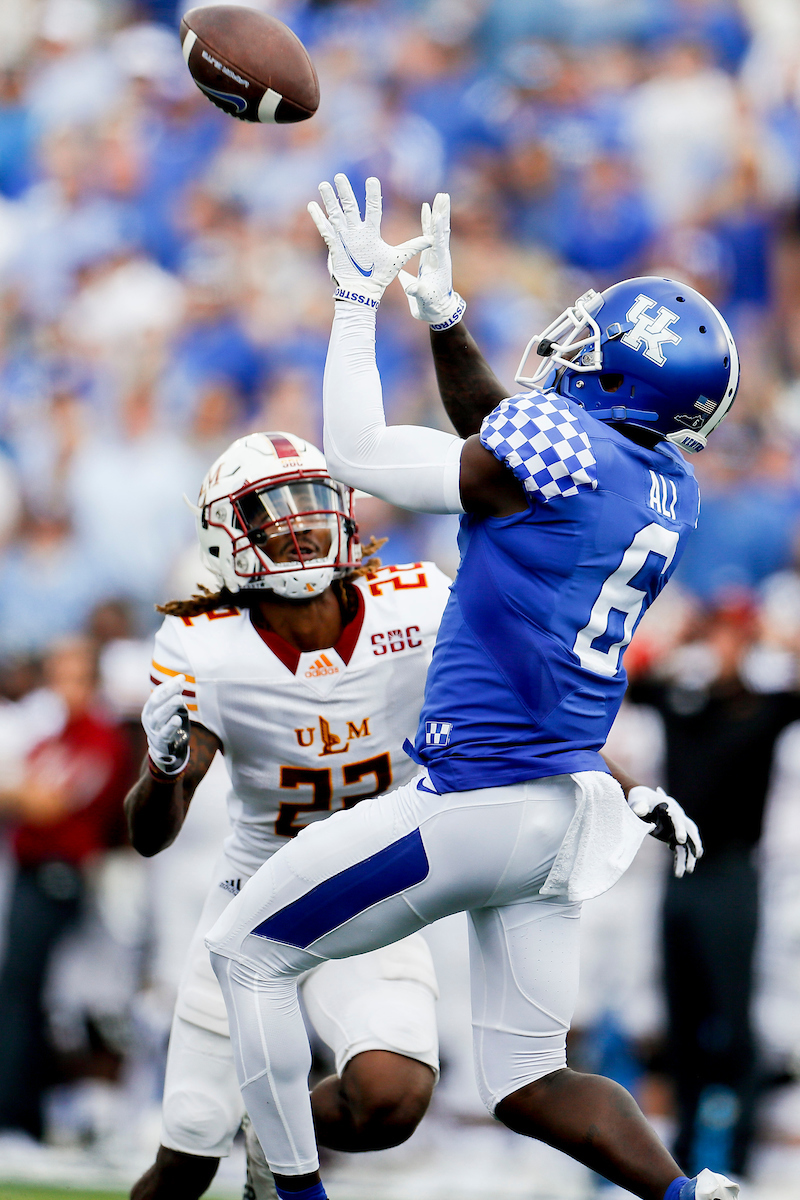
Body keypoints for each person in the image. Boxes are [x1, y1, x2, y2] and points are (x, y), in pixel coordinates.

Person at [204, 175, 744, 1200]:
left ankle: (293, 1197)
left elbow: (359, 453)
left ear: (620, 381)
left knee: (246, 954)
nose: (567, 350)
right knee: (530, 1080)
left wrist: (358, 300)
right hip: (561, 812)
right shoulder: (666, 484)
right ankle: (686, 1194)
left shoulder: (557, 452)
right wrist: (446, 320)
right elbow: (506, 440)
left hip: (471, 801)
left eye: (590, 347)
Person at [126, 430, 452, 1200]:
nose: (299, 523)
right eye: (271, 510)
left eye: (310, 500)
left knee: (392, 1100)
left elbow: (523, 705)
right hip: (255, 900)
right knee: (187, 1156)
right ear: (225, 537)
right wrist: (163, 769)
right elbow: (150, 836)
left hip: (370, 892)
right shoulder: (205, 644)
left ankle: (272, 1138)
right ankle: (250, 1133)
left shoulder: (420, 602)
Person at [628, 597, 800, 1178]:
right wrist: (682, 636)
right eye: (715, 637)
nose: (720, 649)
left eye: (731, 638)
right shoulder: (684, 705)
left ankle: (742, 1160)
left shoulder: (764, 708)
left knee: (733, 1017)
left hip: (732, 876)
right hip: (680, 874)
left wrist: (776, 638)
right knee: (681, 1021)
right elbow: (632, 682)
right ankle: (680, 1159)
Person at [0, 636, 132, 1140]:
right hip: (30, 871)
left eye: (73, 676)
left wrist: (17, 792)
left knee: (30, 992)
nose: (63, 687)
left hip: (61, 873)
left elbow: (48, 804)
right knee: (24, 991)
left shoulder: (99, 739)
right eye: (57, 676)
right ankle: (24, 1108)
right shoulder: (54, 737)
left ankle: (18, 1112)